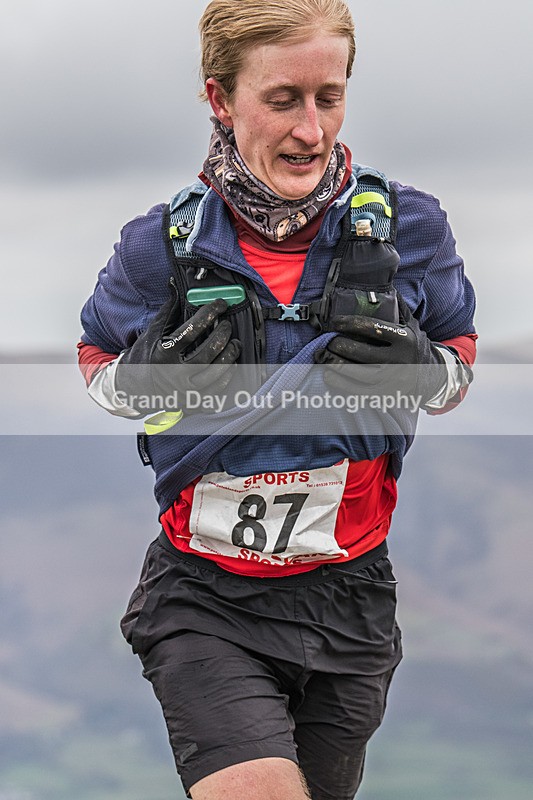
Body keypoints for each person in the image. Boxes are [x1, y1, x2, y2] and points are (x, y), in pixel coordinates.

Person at [78, 1, 477, 798]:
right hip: (204, 599)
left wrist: (420, 372)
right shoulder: (158, 249)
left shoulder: (411, 230)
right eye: (282, 99)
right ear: (221, 99)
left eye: (328, 97)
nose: (310, 131)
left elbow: (458, 361)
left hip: (352, 598)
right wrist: (151, 375)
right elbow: (98, 366)